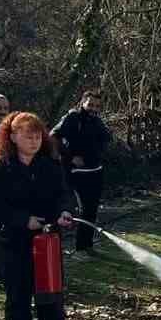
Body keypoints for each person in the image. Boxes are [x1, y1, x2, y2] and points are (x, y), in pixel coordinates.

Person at [0, 112, 78, 320]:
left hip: (46, 244)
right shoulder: (0, 166)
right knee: (18, 301)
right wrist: (23, 221)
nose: (34, 141)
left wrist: (65, 211)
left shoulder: (49, 165)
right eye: (28, 135)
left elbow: (63, 194)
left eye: (37, 136)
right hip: (12, 244)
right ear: (12, 137)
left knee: (51, 301)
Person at [51, 88, 111, 252]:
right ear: (82, 103)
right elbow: (53, 137)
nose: (93, 108)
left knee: (91, 210)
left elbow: (105, 140)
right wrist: (70, 157)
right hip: (76, 173)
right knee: (70, 208)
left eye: (97, 106)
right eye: (90, 104)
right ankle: (57, 244)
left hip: (96, 172)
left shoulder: (98, 121)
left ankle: (85, 245)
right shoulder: (72, 118)